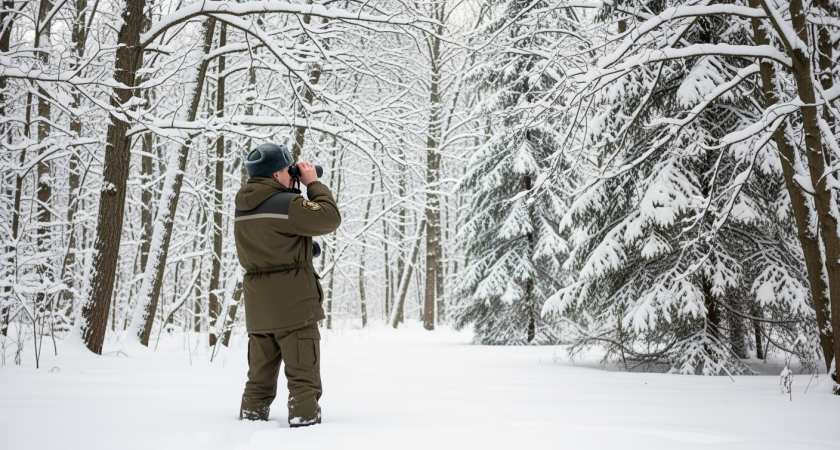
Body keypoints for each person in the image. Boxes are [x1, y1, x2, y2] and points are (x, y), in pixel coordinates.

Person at [233, 143, 341, 427]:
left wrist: (305, 249)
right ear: (275, 175)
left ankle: (249, 424)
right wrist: (313, 184)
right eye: (289, 170)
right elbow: (330, 218)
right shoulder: (288, 204)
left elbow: (270, 245)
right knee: (303, 378)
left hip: (259, 309)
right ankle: (304, 431)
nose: (294, 175)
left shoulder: (243, 206)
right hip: (294, 307)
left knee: (258, 379)